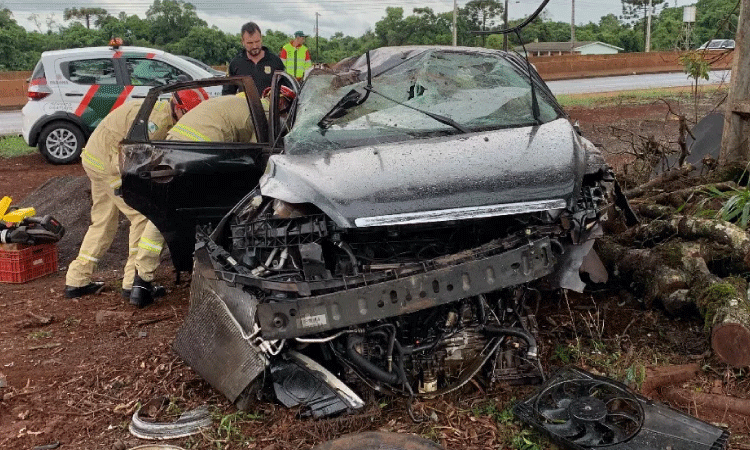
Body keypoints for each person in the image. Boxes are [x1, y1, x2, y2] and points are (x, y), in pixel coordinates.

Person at [64, 88, 208, 307]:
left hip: (95, 158)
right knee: (142, 216)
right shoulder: (157, 122)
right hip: (109, 165)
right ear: (178, 108)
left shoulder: (159, 111)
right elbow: (133, 157)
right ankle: (133, 282)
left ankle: (77, 280)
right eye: (188, 114)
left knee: (102, 221)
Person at [167, 87, 295, 143]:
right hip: (200, 144)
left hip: (174, 137)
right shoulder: (265, 115)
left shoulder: (246, 99)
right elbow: (257, 153)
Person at [223, 22, 286, 97]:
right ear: (242, 41)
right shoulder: (235, 64)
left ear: (261, 38)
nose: (254, 46)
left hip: (270, 108)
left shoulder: (275, 61)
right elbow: (227, 94)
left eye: (257, 41)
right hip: (245, 108)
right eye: (250, 43)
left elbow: (285, 91)